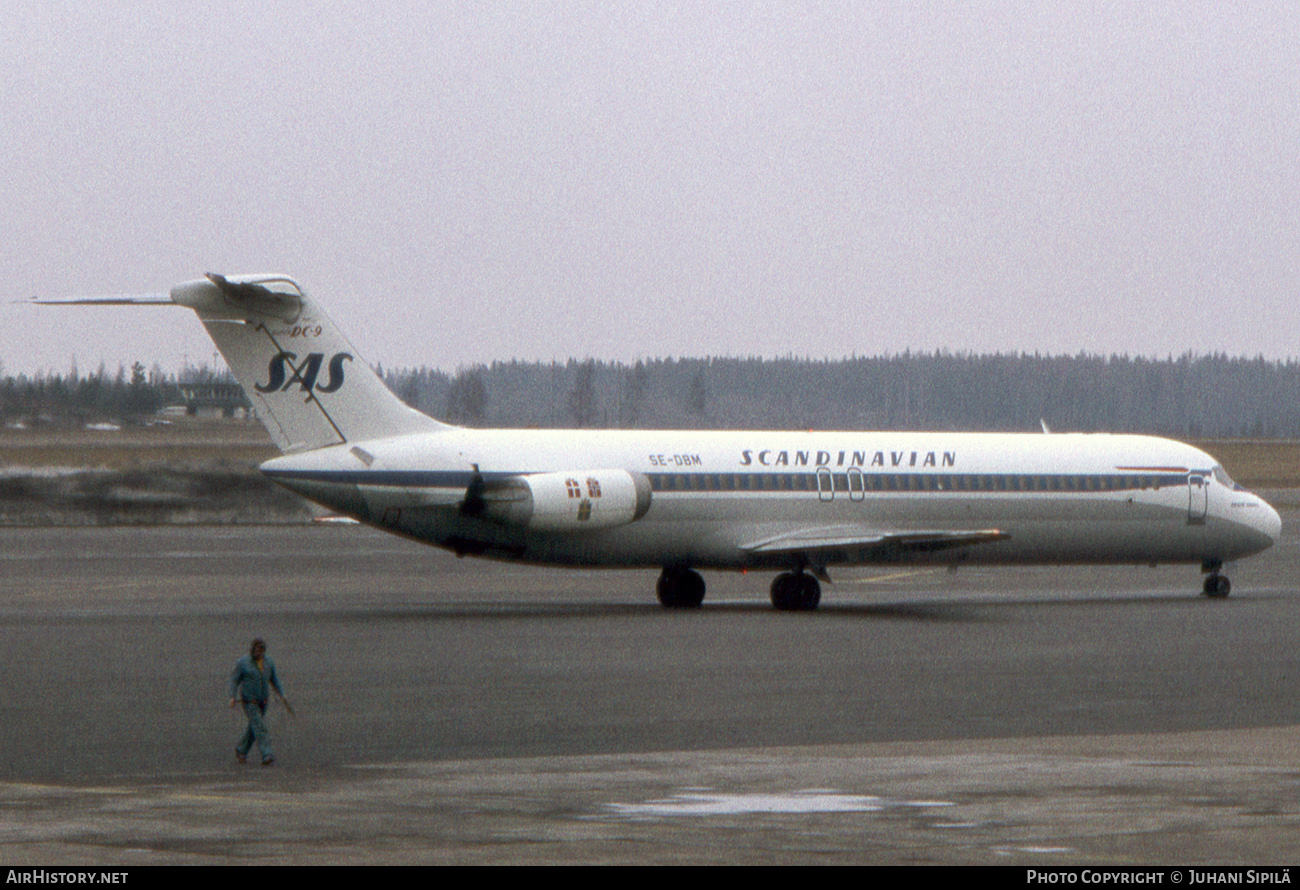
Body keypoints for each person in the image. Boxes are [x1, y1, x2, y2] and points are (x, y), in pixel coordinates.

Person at [228, 638, 291, 765]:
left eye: (262, 651)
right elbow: (234, 680)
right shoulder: (243, 663)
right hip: (249, 702)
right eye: (257, 650)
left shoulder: (268, 662)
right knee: (260, 727)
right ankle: (267, 754)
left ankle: (241, 750)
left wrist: (282, 694)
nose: (259, 653)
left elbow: (274, 680)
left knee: (254, 727)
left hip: (264, 702)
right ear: (252, 650)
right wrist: (232, 696)